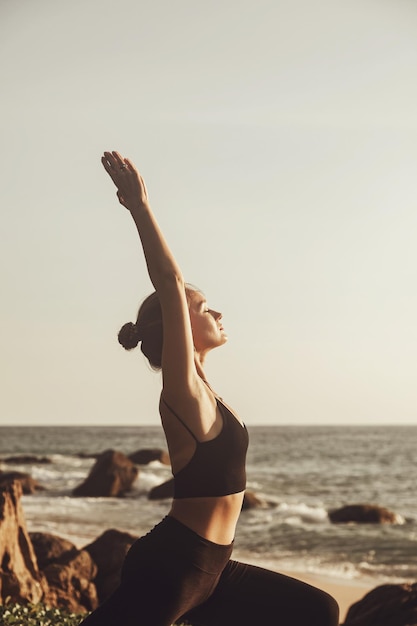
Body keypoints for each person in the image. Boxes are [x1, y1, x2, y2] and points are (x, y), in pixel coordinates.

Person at [79, 151, 339, 626]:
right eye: (203, 308)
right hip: (175, 566)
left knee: (317, 609)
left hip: (213, 570)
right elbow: (170, 281)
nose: (216, 313)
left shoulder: (207, 391)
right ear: (177, 324)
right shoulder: (184, 394)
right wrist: (140, 206)